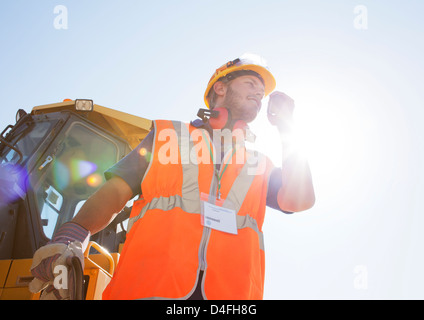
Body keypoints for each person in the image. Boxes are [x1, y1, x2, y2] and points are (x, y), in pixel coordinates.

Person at [29, 53, 315, 300]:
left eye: (262, 91)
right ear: (220, 87)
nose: (259, 94)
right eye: (251, 84)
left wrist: (287, 127)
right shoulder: (168, 137)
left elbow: (299, 200)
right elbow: (115, 193)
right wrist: (71, 237)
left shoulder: (258, 162)